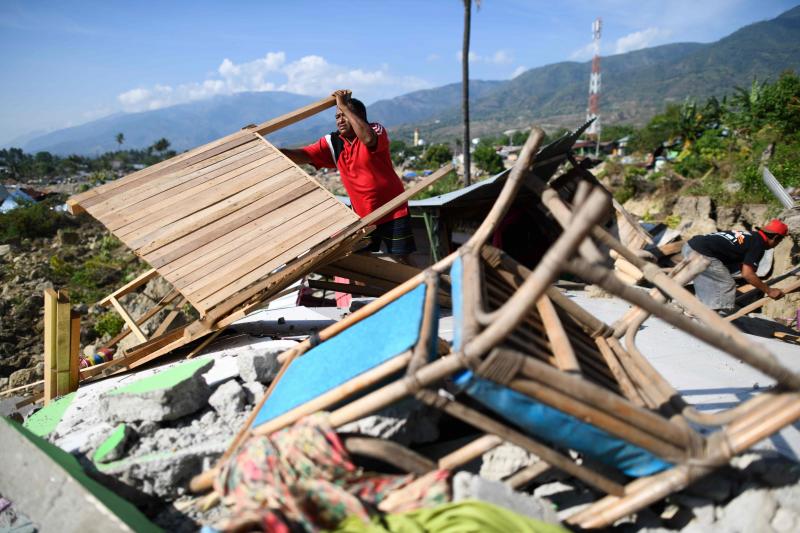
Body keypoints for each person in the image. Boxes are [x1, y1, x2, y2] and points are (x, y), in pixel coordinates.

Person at [280, 90, 415, 263]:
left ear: (358, 116)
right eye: (337, 116)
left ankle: (428, 289)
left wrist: (343, 104)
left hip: (392, 210)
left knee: (403, 258)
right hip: (362, 217)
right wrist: (264, 144)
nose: (340, 120)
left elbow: (367, 139)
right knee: (359, 262)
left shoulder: (374, 129)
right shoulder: (333, 142)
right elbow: (303, 154)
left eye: (344, 115)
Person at [682, 219, 789, 313]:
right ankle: (705, 318)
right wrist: (769, 291)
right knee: (726, 285)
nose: (779, 243)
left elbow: (741, 269)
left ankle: (692, 309)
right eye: (781, 240)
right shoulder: (758, 244)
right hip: (703, 254)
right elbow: (747, 273)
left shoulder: (750, 236)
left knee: (718, 277)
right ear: (775, 237)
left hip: (690, 246)